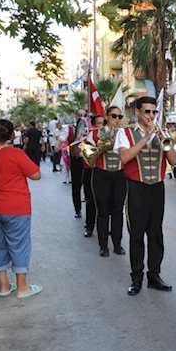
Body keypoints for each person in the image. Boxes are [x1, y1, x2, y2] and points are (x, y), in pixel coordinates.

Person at [115, 96, 176, 296]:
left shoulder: (162, 133)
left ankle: (154, 275)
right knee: (136, 234)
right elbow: (125, 157)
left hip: (157, 187)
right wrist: (144, 138)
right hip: (136, 187)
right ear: (138, 113)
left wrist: (164, 140)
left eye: (154, 112)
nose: (151, 116)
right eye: (147, 112)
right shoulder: (125, 133)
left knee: (156, 233)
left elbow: (174, 160)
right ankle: (136, 278)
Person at [0, 120, 42, 299]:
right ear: (11, 136)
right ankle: (22, 288)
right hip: (16, 208)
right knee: (19, 245)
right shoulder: (17, 154)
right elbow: (36, 175)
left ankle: (4, 286)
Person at [90, 107, 127, 257]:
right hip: (101, 173)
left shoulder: (124, 133)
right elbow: (87, 150)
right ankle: (103, 245)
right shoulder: (96, 133)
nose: (117, 119)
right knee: (103, 211)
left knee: (118, 211)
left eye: (120, 116)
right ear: (107, 116)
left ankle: (117, 244)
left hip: (120, 174)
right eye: (114, 116)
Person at [82, 115, 104, 238]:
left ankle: (108, 229)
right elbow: (87, 156)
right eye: (99, 123)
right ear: (94, 126)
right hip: (91, 171)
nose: (102, 126)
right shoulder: (90, 137)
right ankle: (89, 226)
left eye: (103, 123)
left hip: (107, 171)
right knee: (91, 200)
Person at [68, 109, 88, 218]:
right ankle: (77, 209)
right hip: (76, 159)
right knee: (76, 186)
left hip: (86, 159)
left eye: (84, 115)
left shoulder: (89, 128)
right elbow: (62, 139)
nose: (82, 117)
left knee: (88, 186)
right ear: (76, 116)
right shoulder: (70, 128)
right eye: (80, 115)